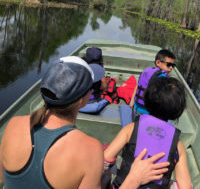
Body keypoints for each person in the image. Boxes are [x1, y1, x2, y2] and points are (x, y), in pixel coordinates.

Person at [0, 56, 170, 189]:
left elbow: (4, 179)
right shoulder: (90, 148)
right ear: (83, 100)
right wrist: (134, 179)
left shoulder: (14, 124)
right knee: (105, 178)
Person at [104, 77, 192, 189]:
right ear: (178, 110)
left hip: (124, 185)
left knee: (105, 175)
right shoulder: (178, 145)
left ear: (147, 99)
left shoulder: (131, 129)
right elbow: (185, 186)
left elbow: (106, 159)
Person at [129, 49, 176, 116]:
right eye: (168, 64)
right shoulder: (162, 76)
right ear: (158, 63)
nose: (171, 68)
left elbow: (137, 86)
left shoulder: (147, 70)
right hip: (148, 112)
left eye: (173, 65)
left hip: (136, 107)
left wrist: (132, 101)